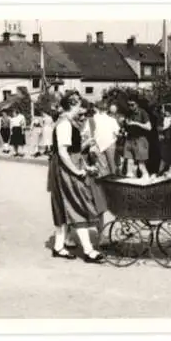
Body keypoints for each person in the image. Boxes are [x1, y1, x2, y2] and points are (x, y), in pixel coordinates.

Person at [47, 93, 105, 264]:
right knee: (78, 204)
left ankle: (58, 247)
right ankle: (88, 251)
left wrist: (85, 167)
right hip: (66, 168)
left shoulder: (68, 123)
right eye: (80, 104)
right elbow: (63, 152)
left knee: (63, 206)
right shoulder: (64, 124)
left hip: (69, 164)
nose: (82, 108)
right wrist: (76, 171)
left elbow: (74, 152)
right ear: (73, 105)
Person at [82, 101, 120, 177]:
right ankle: (113, 182)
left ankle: (101, 183)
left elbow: (85, 134)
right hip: (110, 144)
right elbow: (117, 133)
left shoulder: (91, 120)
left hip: (96, 144)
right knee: (112, 166)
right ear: (107, 110)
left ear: (96, 109)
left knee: (100, 167)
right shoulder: (112, 120)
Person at [123, 97, 152, 178]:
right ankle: (131, 182)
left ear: (137, 104)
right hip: (129, 139)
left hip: (140, 139)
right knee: (129, 163)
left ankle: (146, 180)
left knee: (141, 165)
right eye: (128, 105)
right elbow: (127, 126)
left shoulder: (143, 112)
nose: (130, 107)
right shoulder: (128, 113)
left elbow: (149, 127)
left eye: (132, 105)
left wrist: (136, 123)